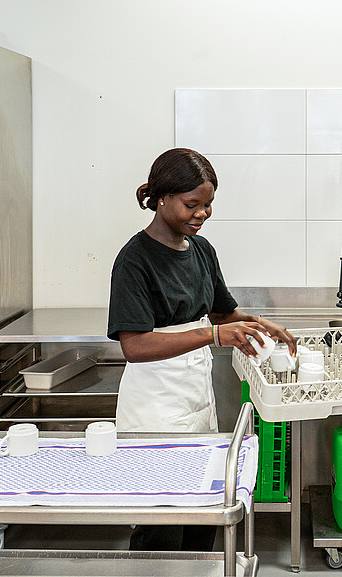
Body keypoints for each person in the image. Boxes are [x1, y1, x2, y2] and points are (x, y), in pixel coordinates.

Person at [107, 147, 296, 552]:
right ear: (161, 198)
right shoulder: (135, 261)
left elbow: (222, 312)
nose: (202, 214)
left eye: (208, 205)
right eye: (192, 204)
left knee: (202, 513)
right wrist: (211, 336)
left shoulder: (202, 251)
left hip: (196, 403)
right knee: (160, 521)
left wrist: (265, 326)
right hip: (154, 411)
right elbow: (134, 346)